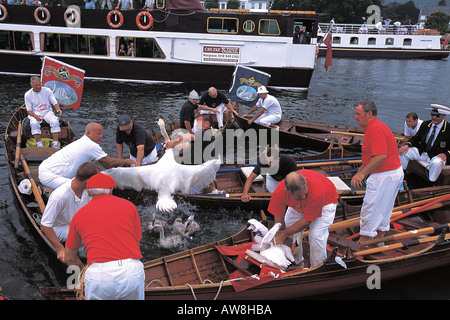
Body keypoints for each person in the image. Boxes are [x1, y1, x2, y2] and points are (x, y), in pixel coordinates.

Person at [64, 173, 145, 300]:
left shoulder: (78, 215)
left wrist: (83, 272)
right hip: (131, 272)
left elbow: (69, 258)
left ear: (88, 192)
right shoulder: (130, 206)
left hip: (99, 276)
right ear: (111, 190)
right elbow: (136, 241)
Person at [351, 100, 404, 243]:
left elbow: (381, 156)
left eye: (358, 114)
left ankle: (364, 240)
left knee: (370, 207)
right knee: (383, 208)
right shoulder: (373, 127)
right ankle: (378, 240)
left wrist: (362, 174)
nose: (355, 117)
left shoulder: (375, 129)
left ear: (369, 114)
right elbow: (371, 157)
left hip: (385, 175)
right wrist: (359, 171)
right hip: (392, 173)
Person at [267, 170, 338, 268]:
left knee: (316, 235)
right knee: (293, 233)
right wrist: (284, 234)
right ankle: (296, 260)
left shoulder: (317, 191)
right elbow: (278, 218)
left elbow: (306, 221)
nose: (304, 197)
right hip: (300, 205)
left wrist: (284, 233)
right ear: (287, 192)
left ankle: (318, 266)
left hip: (325, 202)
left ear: (306, 184)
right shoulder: (279, 192)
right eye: (299, 197)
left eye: (305, 193)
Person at [38, 122, 135, 190]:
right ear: (88, 133)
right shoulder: (91, 146)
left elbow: (107, 165)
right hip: (50, 176)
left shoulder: (84, 141)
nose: (101, 137)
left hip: (45, 167)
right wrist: (126, 161)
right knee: (81, 190)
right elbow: (109, 162)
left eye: (101, 134)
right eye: (98, 134)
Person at [40, 162, 99, 263]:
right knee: (86, 234)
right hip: (59, 229)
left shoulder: (88, 190)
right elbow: (45, 225)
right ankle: (82, 255)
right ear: (88, 180)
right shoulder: (59, 196)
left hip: (77, 224)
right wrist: (59, 249)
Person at [399, 104, 450, 182]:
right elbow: (416, 138)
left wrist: (446, 154)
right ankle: (402, 177)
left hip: (437, 155)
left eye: (437, 116)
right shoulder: (426, 124)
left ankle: (431, 182)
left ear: (444, 116)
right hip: (423, 152)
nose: (434, 117)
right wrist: (407, 145)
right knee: (403, 152)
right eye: (432, 114)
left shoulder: (448, 129)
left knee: (436, 163)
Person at [24, 76, 62, 148]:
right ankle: (39, 145)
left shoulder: (47, 90)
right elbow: (29, 111)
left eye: (40, 84)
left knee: (55, 121)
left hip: (47, 111)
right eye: (36, 85)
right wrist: (35, 116)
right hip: (35, 112)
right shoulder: (27, 94)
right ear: (31, 85)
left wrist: (58, 109)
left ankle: (55, 144)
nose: (38, 87)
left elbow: (54, 102)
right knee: (34, 123)